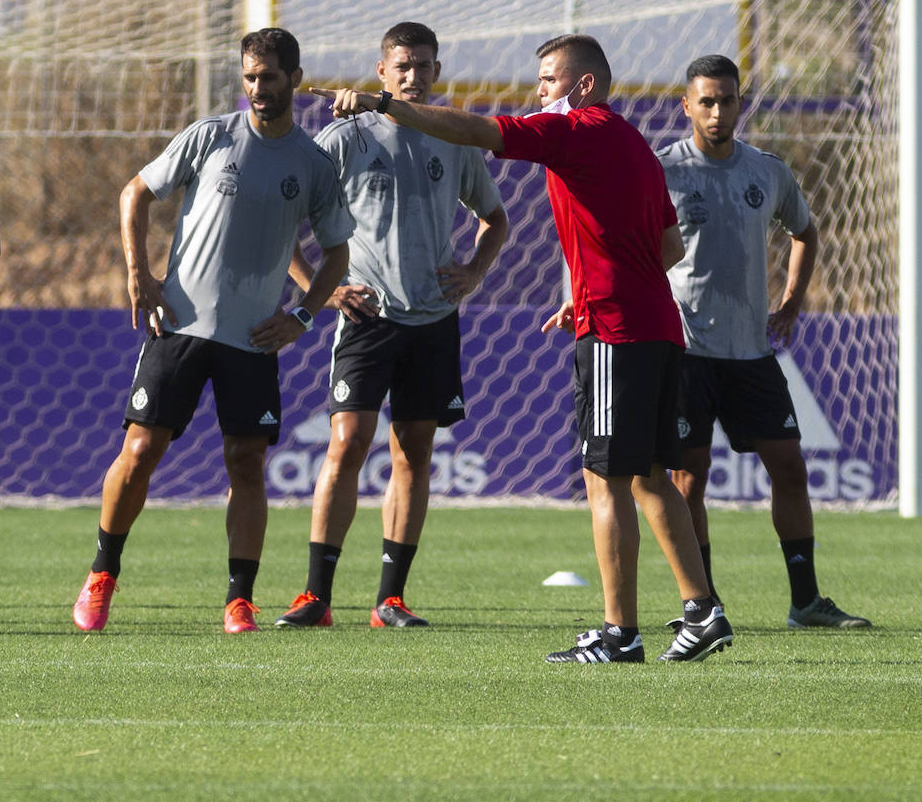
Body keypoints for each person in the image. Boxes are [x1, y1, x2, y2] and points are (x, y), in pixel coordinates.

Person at [312, 33, 732, 663]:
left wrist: (387, 106)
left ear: (582, 86)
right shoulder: (631, 142)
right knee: (647, 475)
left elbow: (482, 133)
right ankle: (703, 612)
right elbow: (668, 250)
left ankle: (621, 633)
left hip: (619, 331)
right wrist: (591, 290)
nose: (538, 93)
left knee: (605, 480)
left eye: (546, 81)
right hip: (651, 324)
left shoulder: (579, 129)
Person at [71, 28, 355, 634]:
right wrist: (138, 275)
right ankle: (101, 576)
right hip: (179, 327)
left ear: (295, 79)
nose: (257, 88)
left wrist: (303, 315)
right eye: (249, 77)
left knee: (246, 464)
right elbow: (135, 193)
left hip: (252, 340)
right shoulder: (211, 136)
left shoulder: (311, 163)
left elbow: (336, 252)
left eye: (269, 77)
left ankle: (239, 599)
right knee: (141, 449)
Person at [275, 22, 509, 630]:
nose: (413, 76)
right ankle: (315, 597)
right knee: (347, 443)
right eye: (402, 66)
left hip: (433, 321)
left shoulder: (453, 141)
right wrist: (320, 292)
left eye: (424, 66)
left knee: (414, 454)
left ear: (436, 72)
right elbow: (283, 222)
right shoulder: (345, 138)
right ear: (381, 71)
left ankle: (390, 599)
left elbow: (495, 219)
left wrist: (474, 272)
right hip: (367, 318)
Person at [658, 53, 870, 629]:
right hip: (685, 349)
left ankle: (806, 601)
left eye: (727, 100)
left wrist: (794, 300)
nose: (718, 111)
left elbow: (805, 230)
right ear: (687, 106)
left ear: (740, 104)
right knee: (689, 479)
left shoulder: (767, 171)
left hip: (751, 350)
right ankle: (703, 604)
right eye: (706, 101)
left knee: (790, 467)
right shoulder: (664, 170)